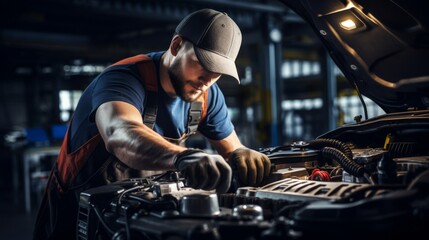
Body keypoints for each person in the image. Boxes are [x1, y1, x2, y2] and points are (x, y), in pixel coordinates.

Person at [33, 8, 271, 239]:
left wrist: (243, 155)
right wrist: (183, 156)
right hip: (78, 213)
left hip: (141, 208)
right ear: (177, 45)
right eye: (204, 65)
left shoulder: (207, 94)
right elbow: (120, 133)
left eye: (217, 72)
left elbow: (233, 150)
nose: (208, 80)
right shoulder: (123, 79)